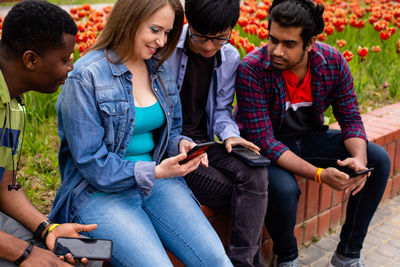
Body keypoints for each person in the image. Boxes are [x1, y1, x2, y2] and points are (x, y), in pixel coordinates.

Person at [49, 0, 233, 266]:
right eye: (155, 30)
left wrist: (181, 144)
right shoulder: (86, 76)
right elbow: (92, 164)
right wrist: (156, 172)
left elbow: (170, 133)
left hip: (158, 184)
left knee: (216, 260)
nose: (161, 41)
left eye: (168, 33)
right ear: (130, 20)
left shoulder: (158, 69)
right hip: (99, 193)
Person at [235, 0, 391, 266]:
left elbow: (350, 117)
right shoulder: (253, 68)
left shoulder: (331, 61)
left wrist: (359, 161)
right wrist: (319, 175)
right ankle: (288, 258)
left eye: (289, 44)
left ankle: (348, 255)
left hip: (309, 138)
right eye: (273, 40)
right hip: (265, 148)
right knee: (283, 189)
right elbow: (264, 141)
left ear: (310, 43)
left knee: (378, 161)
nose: (277, 51)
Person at [167, 0, 269, 266]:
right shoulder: (165, 49)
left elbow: (222, 109)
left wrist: (230, 135)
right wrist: (180, 141)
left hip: (205, 144)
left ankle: (242, 262)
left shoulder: (230, 56)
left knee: (257, 172)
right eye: (201, 36)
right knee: (249, 198)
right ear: (189, 21)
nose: (209, 46)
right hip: (173, 147)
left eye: (220, 37)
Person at [0, 1, 99, 266]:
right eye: (65, 59)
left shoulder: (13, 102)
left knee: (78, 258)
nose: (71, 67)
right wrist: (25, 254)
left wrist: (49, 229)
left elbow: (5, 187)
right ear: (30, 59)